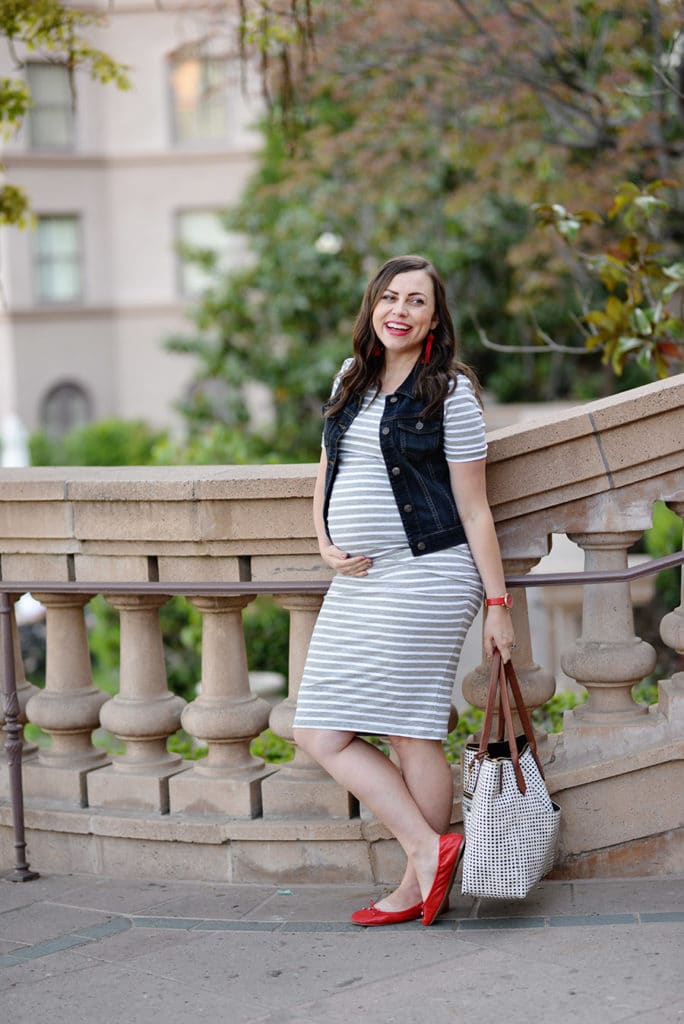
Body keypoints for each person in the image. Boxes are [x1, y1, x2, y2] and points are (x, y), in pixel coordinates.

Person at [292, 254, 515, 926]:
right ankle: (429, 854)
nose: (401, 310)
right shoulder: (351, 378)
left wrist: (499, 607)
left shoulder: (451, 393)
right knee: (319, 731)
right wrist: (325, 542)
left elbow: (476, 508)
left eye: (417, 301)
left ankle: (420, 871)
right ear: (372, 306)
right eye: (390, 297)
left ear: (434, 318)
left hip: (428, 573)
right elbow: (326, 470)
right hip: (361, 579)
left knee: (410, 733)